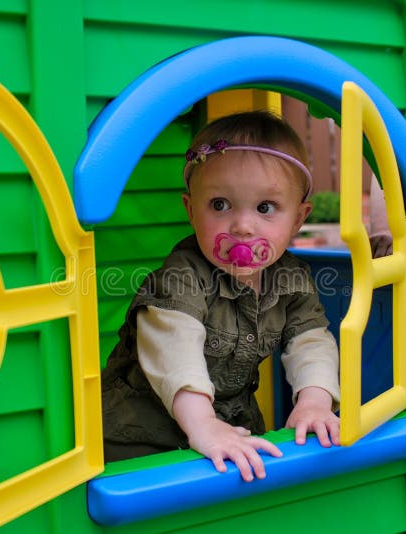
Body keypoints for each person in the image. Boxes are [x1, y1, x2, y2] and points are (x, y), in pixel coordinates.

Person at [101, 110, 341, 482]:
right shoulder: (182, 276)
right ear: (191, 210)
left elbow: (311, 340)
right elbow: (173, 347)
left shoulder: (292, 279)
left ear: (297, 219)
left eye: (265, 208)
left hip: (231, 427)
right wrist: (203, 425)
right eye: (219, 205)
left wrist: (314, 401)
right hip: (141, 438)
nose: (243, 226)